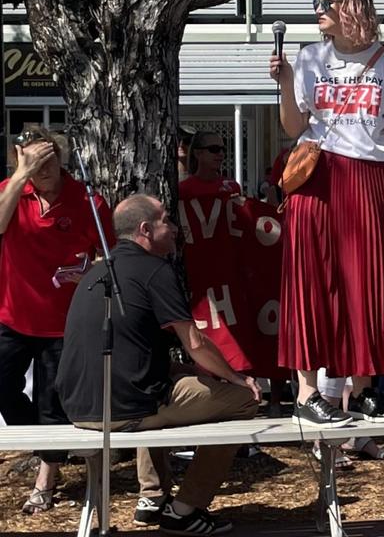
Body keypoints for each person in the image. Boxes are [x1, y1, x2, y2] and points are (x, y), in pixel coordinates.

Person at [55, 195, 259, 535]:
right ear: (146, 230)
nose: (176, 229)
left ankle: (152, 498)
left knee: (169, 385)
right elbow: (194, 342)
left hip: (77, 406)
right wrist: (236, 377)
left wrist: (192, 373)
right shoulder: (155, 270)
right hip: (125, 408)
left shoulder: (97, 271)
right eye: (168, 221)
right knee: (243, 402)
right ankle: (185, 509)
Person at [268, 0, 384, 426]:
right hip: (317, 177)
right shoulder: (309, 57)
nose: (318, 11)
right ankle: (308, 391)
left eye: (326, 3)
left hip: (370, 177)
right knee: (310, 281)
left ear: (351, 5)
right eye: (316, 4)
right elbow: (294, 128)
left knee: (367, 282)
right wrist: (286, 82)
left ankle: (365, 387)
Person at [0, 127, 112, 514]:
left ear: (62, 160)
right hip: (12, 315)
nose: (41, 169)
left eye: (48, 160)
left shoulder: (86, 200)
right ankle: (45, 448)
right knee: (3, 390)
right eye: (32, 160)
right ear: (18, 159)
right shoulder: (12, 190)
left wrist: (90, 273)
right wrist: (19, 176)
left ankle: (46, 477)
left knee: (52, 403)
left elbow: (109, 253)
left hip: (63, 323)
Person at [181, 131, 241, 197]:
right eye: (214, 149)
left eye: (223, 149)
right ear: (197, 153)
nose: (221, 154)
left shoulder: (232, 187)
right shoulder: (183, 189)